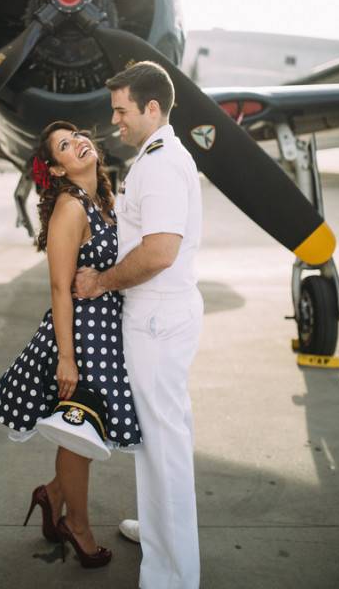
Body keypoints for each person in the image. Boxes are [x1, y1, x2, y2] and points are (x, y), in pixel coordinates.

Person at [0, 120, 142, 569]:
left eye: (77, 136)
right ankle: (78, 525)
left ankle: (51, 496)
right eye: (65, 146)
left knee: (84, 432)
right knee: (77, 436)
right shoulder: (71, 207)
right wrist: (67, 358)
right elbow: (58, 287)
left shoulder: (103, 201)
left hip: (105, 331)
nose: (79, 143)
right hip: (81, 336)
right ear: (55, 169)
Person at [73, 61, 204, 589]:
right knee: (156, 437)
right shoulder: (154, 156)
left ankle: (172, 575)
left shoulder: (161, 164)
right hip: (156, 314)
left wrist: (101, 281)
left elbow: (159, 252)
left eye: (122, 110)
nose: (115, 121)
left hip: (157, 316)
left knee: (166, 442)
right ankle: (156, 531)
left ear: (152, 109)